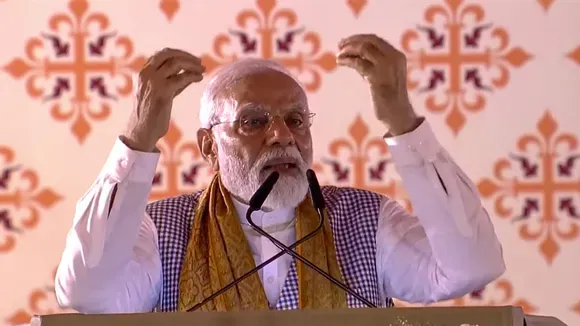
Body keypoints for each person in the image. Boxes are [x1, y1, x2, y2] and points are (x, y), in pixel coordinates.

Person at [54, 34, 505, 313]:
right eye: (253, 121)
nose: (281, 136)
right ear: (209, 146)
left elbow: (471, 267)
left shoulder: (364, 220)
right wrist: (137, 140)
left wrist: (405, 125)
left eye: (295, 120)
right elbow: (87, 292)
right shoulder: (165, 230)